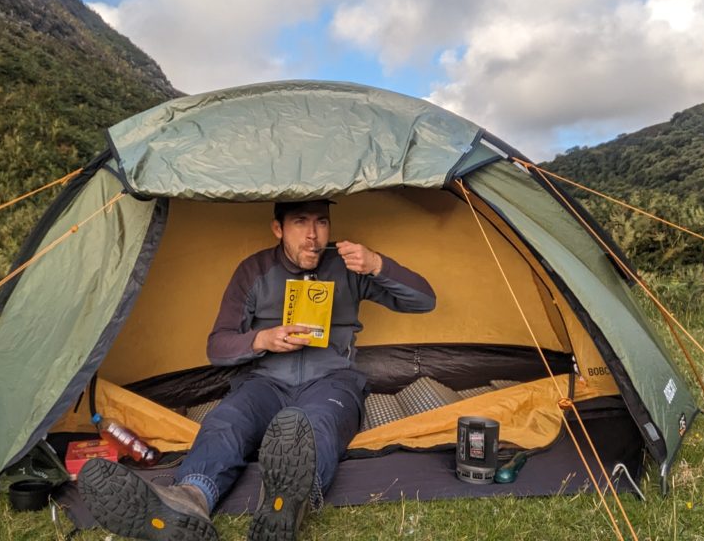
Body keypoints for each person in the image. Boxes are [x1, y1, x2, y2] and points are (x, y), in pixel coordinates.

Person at [79, 199, 436, 541]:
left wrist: (377, 264)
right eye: (301, 222)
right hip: (264, 382)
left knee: (315, 424)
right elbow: (217, 346)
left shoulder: (347, 267)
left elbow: (425, 300)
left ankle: (284, 504)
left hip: (331, 382)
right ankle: (189, 499)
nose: (313, 235)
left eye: (321, 222)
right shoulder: (253, 270)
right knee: (227, 420)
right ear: (277, 228)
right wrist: (261, 339)